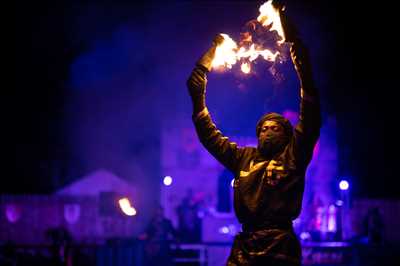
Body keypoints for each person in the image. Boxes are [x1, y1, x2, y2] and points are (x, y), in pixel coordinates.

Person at [186, 32, 321, 265]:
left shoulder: (294, 155)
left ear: (287, 136)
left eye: (274, 128)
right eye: (263, 128)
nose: (267, 131)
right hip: (246, 245)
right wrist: (198, 98)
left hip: (280, 243)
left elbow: (310, 118)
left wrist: (303, 67)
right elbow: (209, 136)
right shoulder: (243, 157)